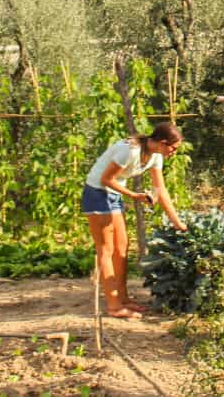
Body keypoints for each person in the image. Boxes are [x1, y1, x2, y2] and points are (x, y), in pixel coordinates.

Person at [81, 121, 188, 319]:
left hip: (113, 195)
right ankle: (113, 306)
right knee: (106, 249)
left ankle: (123, 299)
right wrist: (134, 195)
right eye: (173, 148)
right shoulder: (129, 151)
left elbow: (160, 190)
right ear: (163, 142)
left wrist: (178, 222)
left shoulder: (156, 156)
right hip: (96, 192)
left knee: (122, 248)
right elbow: (106, 179)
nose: (173, 152)